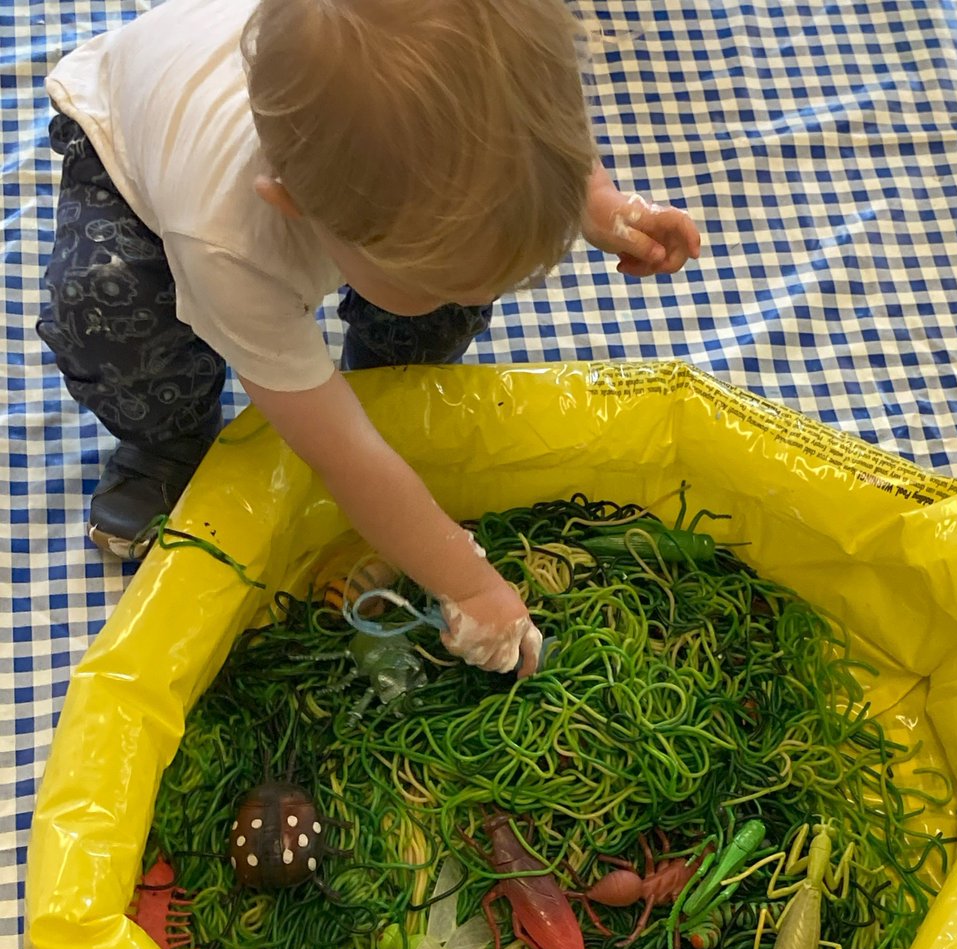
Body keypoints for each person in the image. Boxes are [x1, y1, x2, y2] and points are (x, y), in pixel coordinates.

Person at [37, 0, 700, 676]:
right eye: (439, 281)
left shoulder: (496, 96)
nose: (469, 298)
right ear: (295, 204)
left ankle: (390, 382)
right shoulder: (225, 243)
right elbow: (340, 452)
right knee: (111, 310)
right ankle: (168, 442)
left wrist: (596, 203)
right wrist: (468, 585)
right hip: (128, 145)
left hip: (324, 133)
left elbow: (534, 124)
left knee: (424, 308)